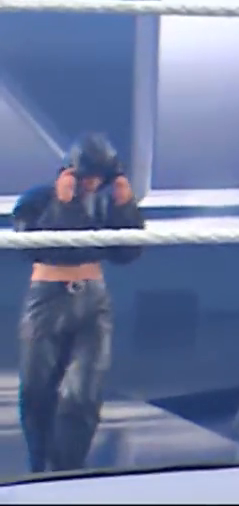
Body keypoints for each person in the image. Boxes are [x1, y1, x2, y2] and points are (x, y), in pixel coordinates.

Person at [11, 135, 145, 473]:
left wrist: (124, 207)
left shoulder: (103, 204)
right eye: (87, 175)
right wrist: (63, 203)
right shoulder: (36, 200)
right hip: (47, 299)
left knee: (84, 391)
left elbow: (127, 253)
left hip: (92, 301)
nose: (92, 183)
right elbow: (35, 249)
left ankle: (69, 468)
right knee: (37, 389)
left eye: (99, 177)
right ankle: (39, 464)